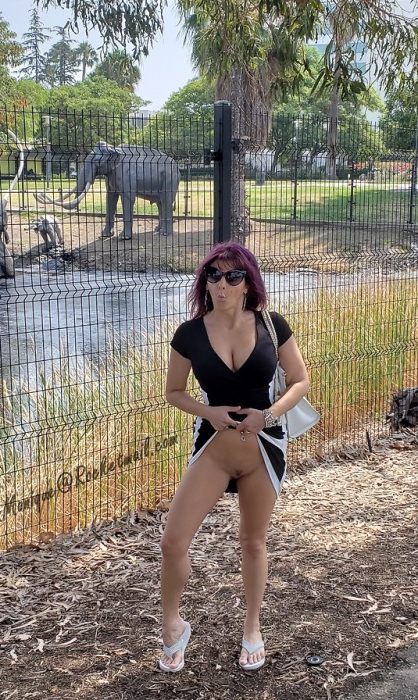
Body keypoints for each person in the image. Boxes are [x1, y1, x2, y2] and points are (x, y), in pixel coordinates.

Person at [159, 241, 310, 673]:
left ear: (249, 283)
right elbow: (173, 392)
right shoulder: (189, 333)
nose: (220, 285)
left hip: (264, 446)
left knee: (252, 541)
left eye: (232, 276)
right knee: (172, 543)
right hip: (213, 446)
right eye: (213, 275)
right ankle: (172, 626)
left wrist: (269, 414)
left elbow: (300, 381)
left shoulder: (272, 325)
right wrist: (208, 411)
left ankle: (252, 628)